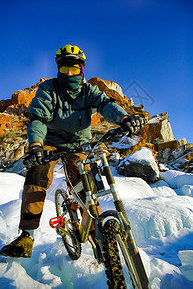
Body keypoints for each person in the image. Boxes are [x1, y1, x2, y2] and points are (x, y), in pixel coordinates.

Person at [0, 44, 145, 258]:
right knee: (37, 171)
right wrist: (35, 146)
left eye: (75, 69)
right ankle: (26, 235)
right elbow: (38, 119)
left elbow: (106, 105)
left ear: (81, 70)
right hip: (49, 143)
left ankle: (97, 237)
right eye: (65, 68)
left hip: (78, 146)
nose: (70, 73)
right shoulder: (48, 89)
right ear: (58, 69)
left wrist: (124, 118)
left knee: (86, 183)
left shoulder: (89, 91)